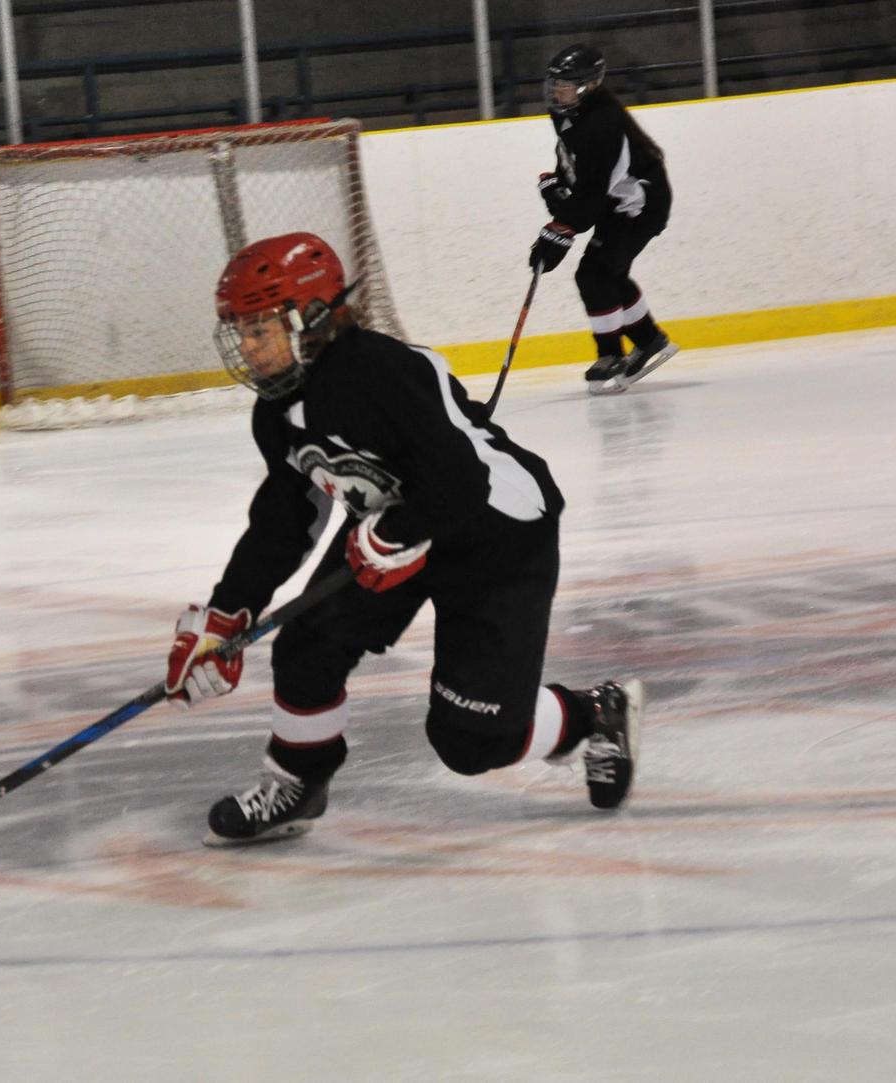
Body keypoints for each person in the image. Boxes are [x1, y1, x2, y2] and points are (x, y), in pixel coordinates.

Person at [166, 232, 642, 846]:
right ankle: (297, 785)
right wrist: (228, 611)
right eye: (242, 331)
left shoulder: (381, 372)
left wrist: (394, 533)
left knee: (471, 743)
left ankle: (592, 717)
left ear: (309, 319)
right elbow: (285, 520)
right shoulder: (277, 410)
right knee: (307, 645)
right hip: (397, 530)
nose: (248, 348)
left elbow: (462, 482)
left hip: (495, 536)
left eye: (260, 329)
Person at [529, 43, 678, 396]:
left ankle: (610, 355)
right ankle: (649, 340)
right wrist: (560, 186)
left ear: (590, 85)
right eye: (555, 83)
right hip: (616, 203)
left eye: (565, 84)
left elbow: (595, 190)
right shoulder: (570, 111)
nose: (557, 90)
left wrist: (561, 228)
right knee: (608, 272)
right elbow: (580, 164)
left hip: (639, 205)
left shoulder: (602, 122)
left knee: (594, 274)